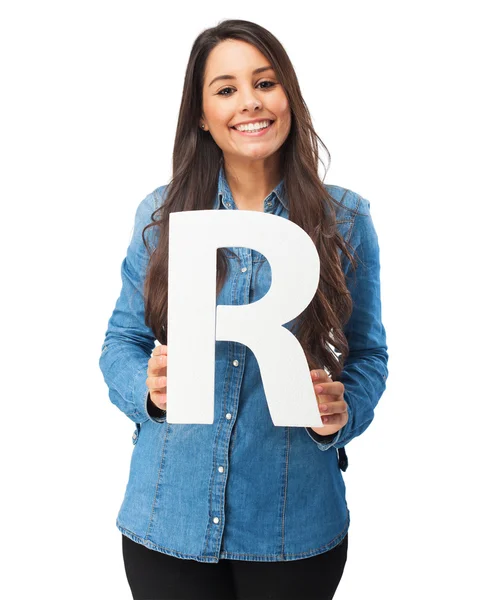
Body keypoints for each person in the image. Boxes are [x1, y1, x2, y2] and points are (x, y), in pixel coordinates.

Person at [99, 18, 388, 600]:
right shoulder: (162, 215)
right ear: (202, 115)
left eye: (266, 81)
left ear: (289, 97)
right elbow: (120, 341)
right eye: (225, 89)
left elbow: (370, 355)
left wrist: (343, 407)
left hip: (294, 525)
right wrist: (147, 389)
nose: (249, 102)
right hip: (166, 519)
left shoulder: (346, 220)